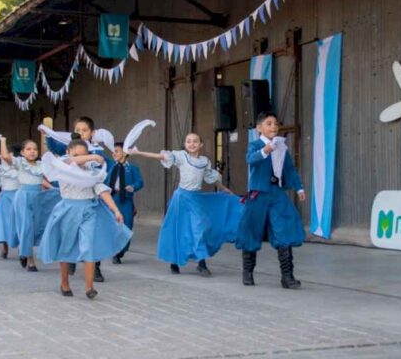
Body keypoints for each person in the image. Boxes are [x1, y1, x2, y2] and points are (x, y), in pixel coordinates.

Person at [130, 133, 242, 276]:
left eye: (195, 141)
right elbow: (160, 156)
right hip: (181, 198)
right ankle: (175, 262)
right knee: (179, 229)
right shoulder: (182, 156)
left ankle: (201, 263)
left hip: (196, 199)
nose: (192, 144)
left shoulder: (204, 161)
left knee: (200, 228)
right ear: (185, 144)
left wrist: (224, 189)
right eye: (188, 141)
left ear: (201, 144)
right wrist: (138, 152)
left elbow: (211, 178)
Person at [38, 139, 130, 299]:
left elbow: (101, 190)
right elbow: (69, 161)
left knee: (88, 246)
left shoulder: (92, 171)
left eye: (84, 154)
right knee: (65, 247)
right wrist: (91, 157)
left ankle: (89, 288)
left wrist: (115, 210)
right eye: (76, 155)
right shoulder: (63, 165)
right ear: (68, 153)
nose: (80, 158)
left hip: (88, 211)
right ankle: (64, 283)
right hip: (68, 211)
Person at [236, 112, 306, 289]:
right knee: (251, 231)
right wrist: (265, 151)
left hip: (276, 193)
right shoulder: (255, 145)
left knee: (285, 228)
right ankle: (248, 273)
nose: (273, 126)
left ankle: (287, 277)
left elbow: (289, 169)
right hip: (258, 194)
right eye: (268, 123)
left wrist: (299, 188)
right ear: (259, 128)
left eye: (275, 123)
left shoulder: (281, 146)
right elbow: (250, 160)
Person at [0, 137, 42, 271]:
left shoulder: (41, 165)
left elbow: (43, 180)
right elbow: (6, 157)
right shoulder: (20, 163)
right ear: (23, 152)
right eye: (28, 149)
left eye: (35, 149)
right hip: (23, 197)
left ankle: (23, 249)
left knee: (35, 228)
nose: (32, 152)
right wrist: (3, 141)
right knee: (26, 227)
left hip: (38, 198)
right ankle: (30, 259)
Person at [106, 142, 144, 264]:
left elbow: (140, 182)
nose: (114, 153)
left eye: (116, 151)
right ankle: (115, 252)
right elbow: (105, 181)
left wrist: (132, 187)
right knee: (113, 226)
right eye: (113, 151)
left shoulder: (132, 168)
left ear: (125, 152)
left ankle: (122, 250)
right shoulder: (111, 166)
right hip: (112, 199)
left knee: (127, 226)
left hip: (126, 200)